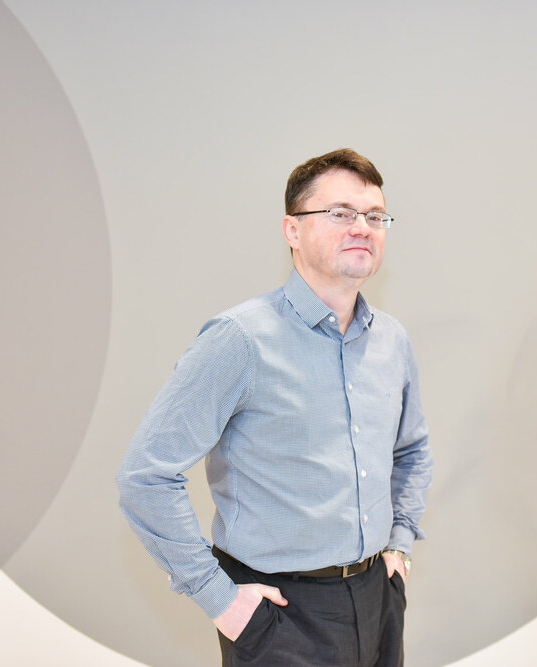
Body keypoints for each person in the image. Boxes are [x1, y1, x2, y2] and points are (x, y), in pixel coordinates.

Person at [116, 148, 433, 666]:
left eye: (375, 216)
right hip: (280, 615)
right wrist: (219, 600)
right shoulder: (239, 340)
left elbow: (412, 451)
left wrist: (398, 544)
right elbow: (144, 477)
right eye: (341, 213)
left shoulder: (392, 340)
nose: (362, 227)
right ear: (292, 230)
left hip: (378, 597)